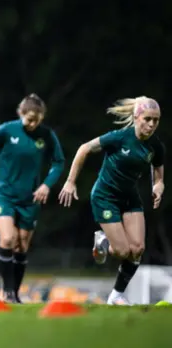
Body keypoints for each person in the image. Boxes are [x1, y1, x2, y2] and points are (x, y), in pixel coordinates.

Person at [59, 97, 164, 305]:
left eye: (156, 120)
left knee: (138, 249)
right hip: (105, 196)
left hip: (130, 197)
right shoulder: (119, 138)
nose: (152, 124)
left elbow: (159, 175)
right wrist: (70, 182)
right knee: (123, 251)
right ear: (136, 117)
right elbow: (84, 148)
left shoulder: (155, 146)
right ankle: (103, 241)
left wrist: (158, 187)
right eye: (148, 119)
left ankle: (116, 295)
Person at [0, 94, 65, 303]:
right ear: (21, 114)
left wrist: (46, 185)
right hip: (4, 194)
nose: (33, 124)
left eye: (37, 119)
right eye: (29, 119)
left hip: (30, 198)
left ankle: (14, 295)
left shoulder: (46, 135)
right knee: (8, 238)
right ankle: (6, 292)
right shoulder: (7, 130)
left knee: (22, 246)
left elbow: (59, 162)